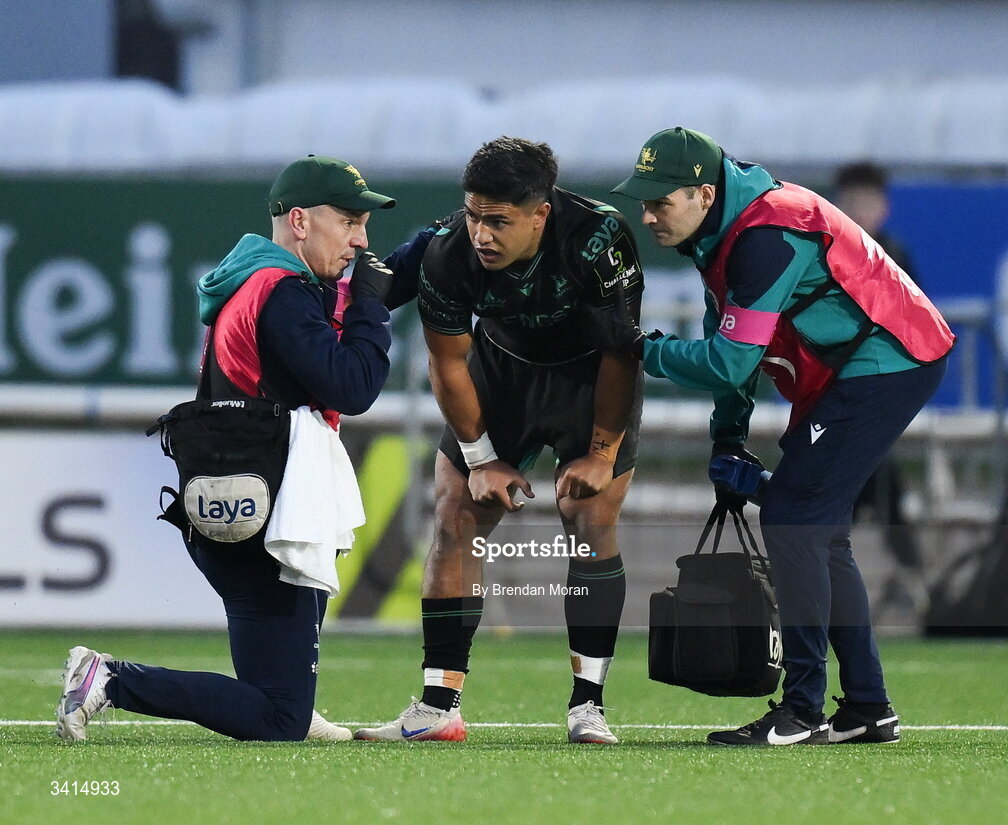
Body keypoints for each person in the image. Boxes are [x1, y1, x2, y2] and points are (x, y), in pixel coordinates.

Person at [55, 155, 434, 743]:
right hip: (266, 508)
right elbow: (353, 386)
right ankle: (110, 679)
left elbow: (369, 289)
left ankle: (288, 701)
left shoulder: (267, 280)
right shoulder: (283, 293)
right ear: (302, 222)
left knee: (283, 698)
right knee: (278, 719)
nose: (362, 239)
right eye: (351, 222)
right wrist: (367, 307)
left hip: (237, 497)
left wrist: (433, 243)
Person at [602, 127, 954, 746]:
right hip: (871, 362)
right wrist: (727, 441)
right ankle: (867, 707)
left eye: (660, 201)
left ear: (704, 193)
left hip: (888, 360)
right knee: (815, 526)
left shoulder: (765, 235)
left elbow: (731, 361)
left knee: (795, 515)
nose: (647, 214)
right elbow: (727, 342)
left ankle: (802, 711)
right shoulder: (723, 229)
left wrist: (641, 351)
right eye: (643, 200)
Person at [355, 137, 644, 745]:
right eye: (473, 215)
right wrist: (482, 460)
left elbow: (622, 353)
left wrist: (602, 453)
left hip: (589, 376)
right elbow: (448, 363)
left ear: (540, 213)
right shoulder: (445, 252)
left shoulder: (598, 239)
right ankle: (439, 709)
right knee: (457, 515)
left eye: (499, 221)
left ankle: (587, 706)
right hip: (499, 373)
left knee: (589, 517)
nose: (482, 234)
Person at [834, 162, 929, 616]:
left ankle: (905, 577)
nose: (858, 210)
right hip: (832, 397)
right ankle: (911, 577)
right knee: (859, 484)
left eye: (867, 202)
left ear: (884, 207)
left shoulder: (896, 257)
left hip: (875, 396)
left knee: (864, 483)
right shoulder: (824, 252)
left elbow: (918, 326)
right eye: (850, 200)